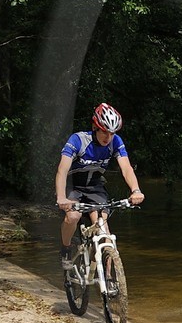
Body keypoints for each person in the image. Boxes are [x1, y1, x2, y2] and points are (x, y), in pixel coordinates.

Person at [55, 102, 145, 272]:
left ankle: (111, 281)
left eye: (112, 133)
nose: (108, 137)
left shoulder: (115, 142)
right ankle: (66, 249)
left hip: (95, 187)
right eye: (104, 131)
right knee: (73, 217)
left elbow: (126, 168)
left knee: (104, 232)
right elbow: (62, 170)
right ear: (95, 127)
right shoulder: (78, 140)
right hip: (73, 186)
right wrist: (61, 197)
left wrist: (136, 190)